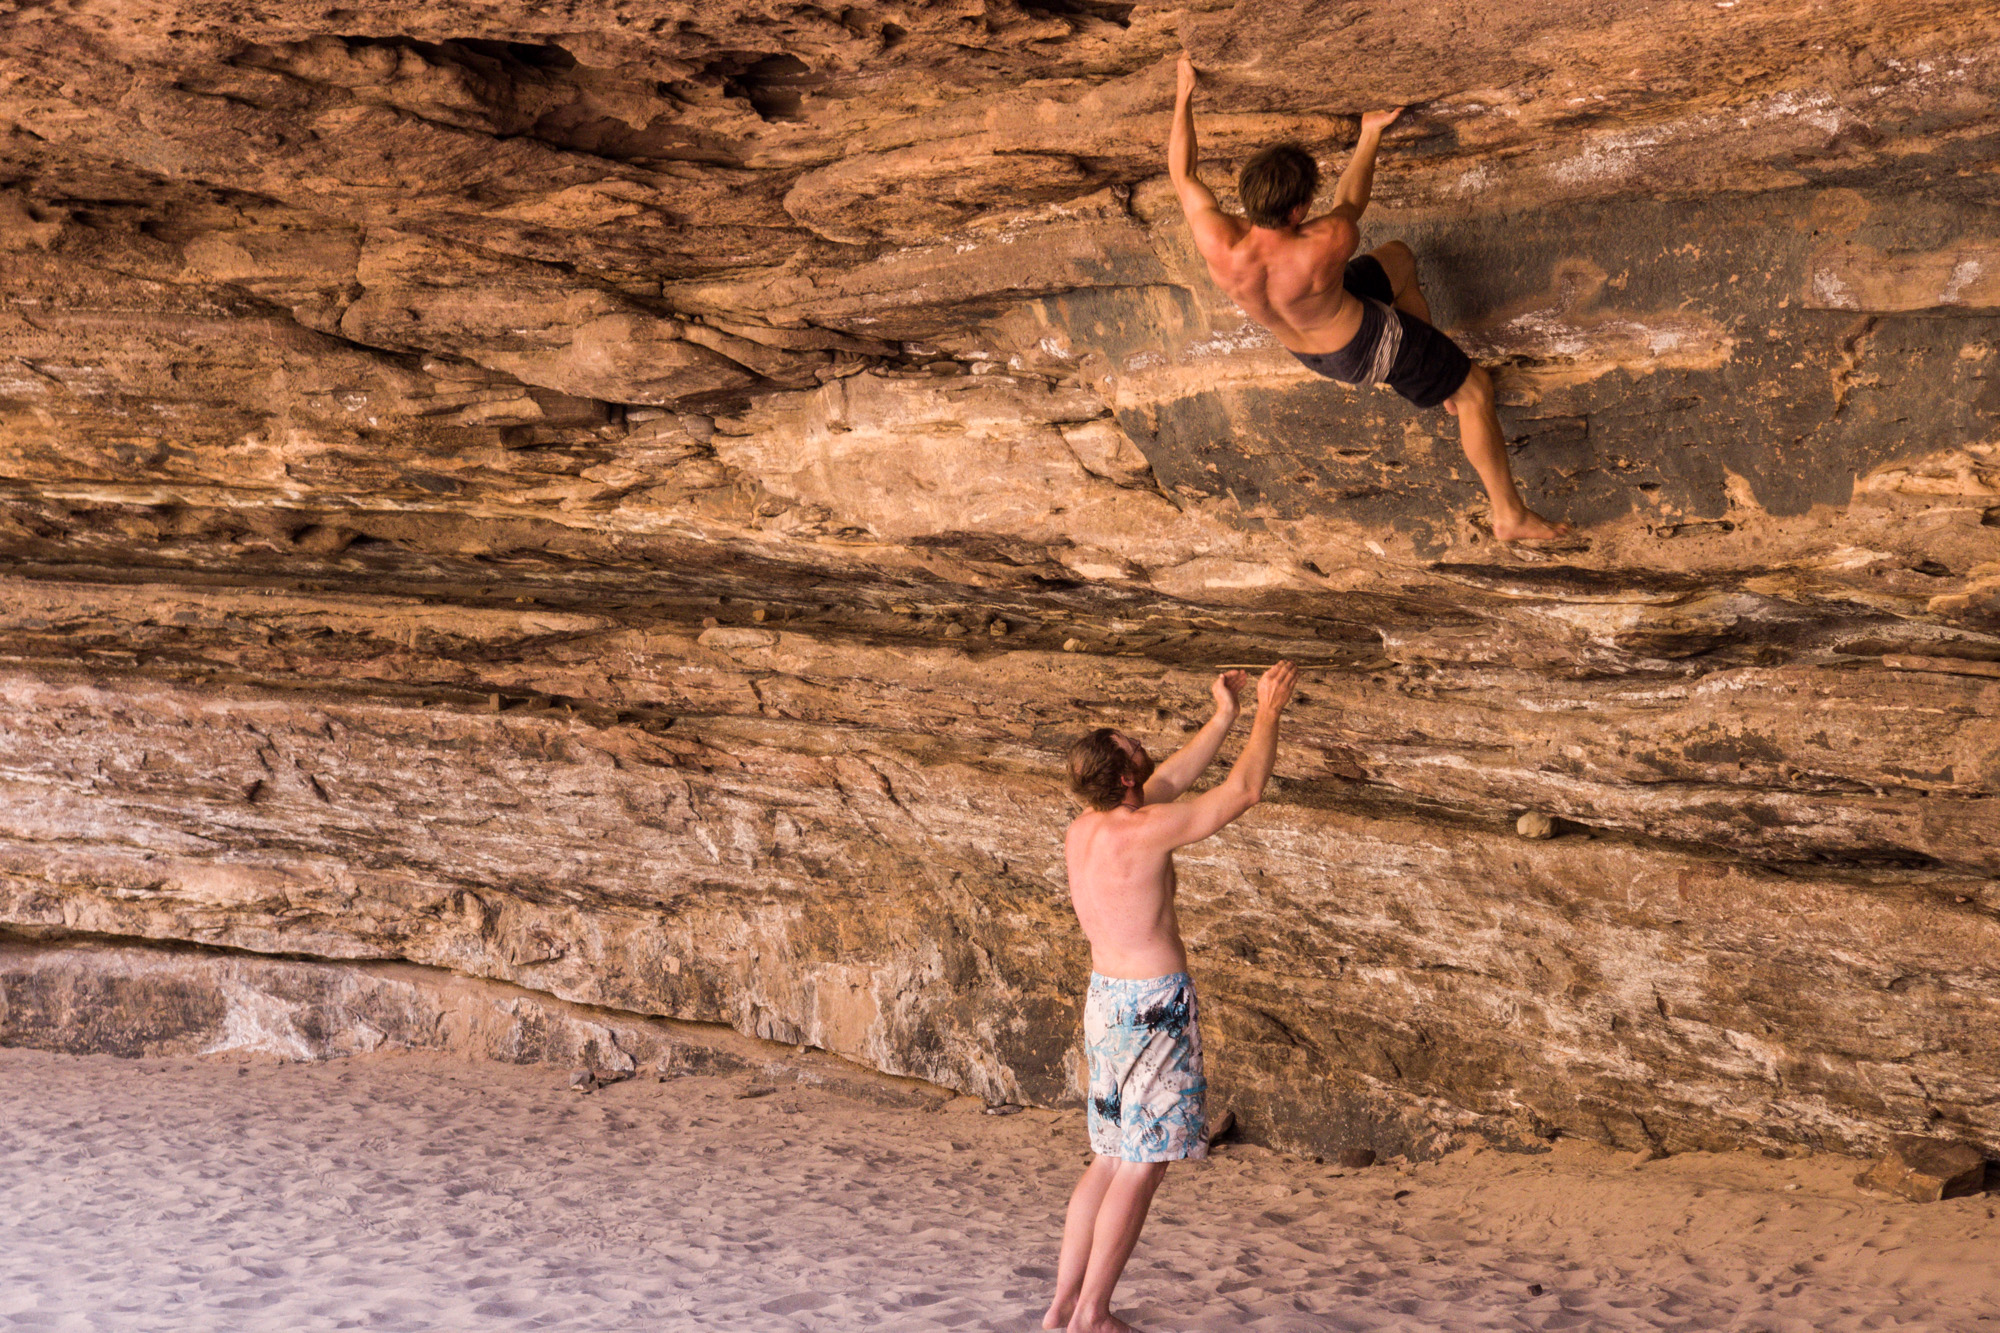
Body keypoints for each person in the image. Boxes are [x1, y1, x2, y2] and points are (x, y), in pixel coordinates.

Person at [1167, 55, 1570, 542]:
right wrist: (1370, 134)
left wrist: (1185, 93)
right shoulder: (1327, 239)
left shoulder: (1216, 238)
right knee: (1476, 391)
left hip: (1305, 345)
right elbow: (1351, 202)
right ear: (1298, 210)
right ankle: (1509, 513)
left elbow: (1182, 171)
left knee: (1399, 260)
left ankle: (1437, 371)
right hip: (1366, 346)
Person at [1042, 661, 1300, 1333]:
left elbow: (1177, 778)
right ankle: (1094, 1313)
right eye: (1132, 746)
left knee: (1108, 1154)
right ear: (1126, 777)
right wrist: (1270, 711)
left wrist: (1225, 714)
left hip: (1105, 1003)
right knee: (1145, 1160)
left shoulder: (1089, 828)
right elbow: (1242, 790)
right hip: (1153, 1008)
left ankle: (1062, 1307)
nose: (1139, 744)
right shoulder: (1146, 829)